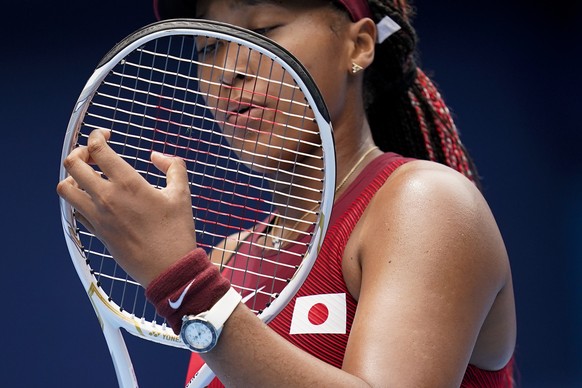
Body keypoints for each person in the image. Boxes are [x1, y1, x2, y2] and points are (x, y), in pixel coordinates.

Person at [57, 0, 517, 386]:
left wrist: (185, 285)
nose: (229, 70)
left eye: (264, 29)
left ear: (358, 45)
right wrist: (194, 285)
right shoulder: (226, 261)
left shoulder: (427, 204)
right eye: (210, 46)